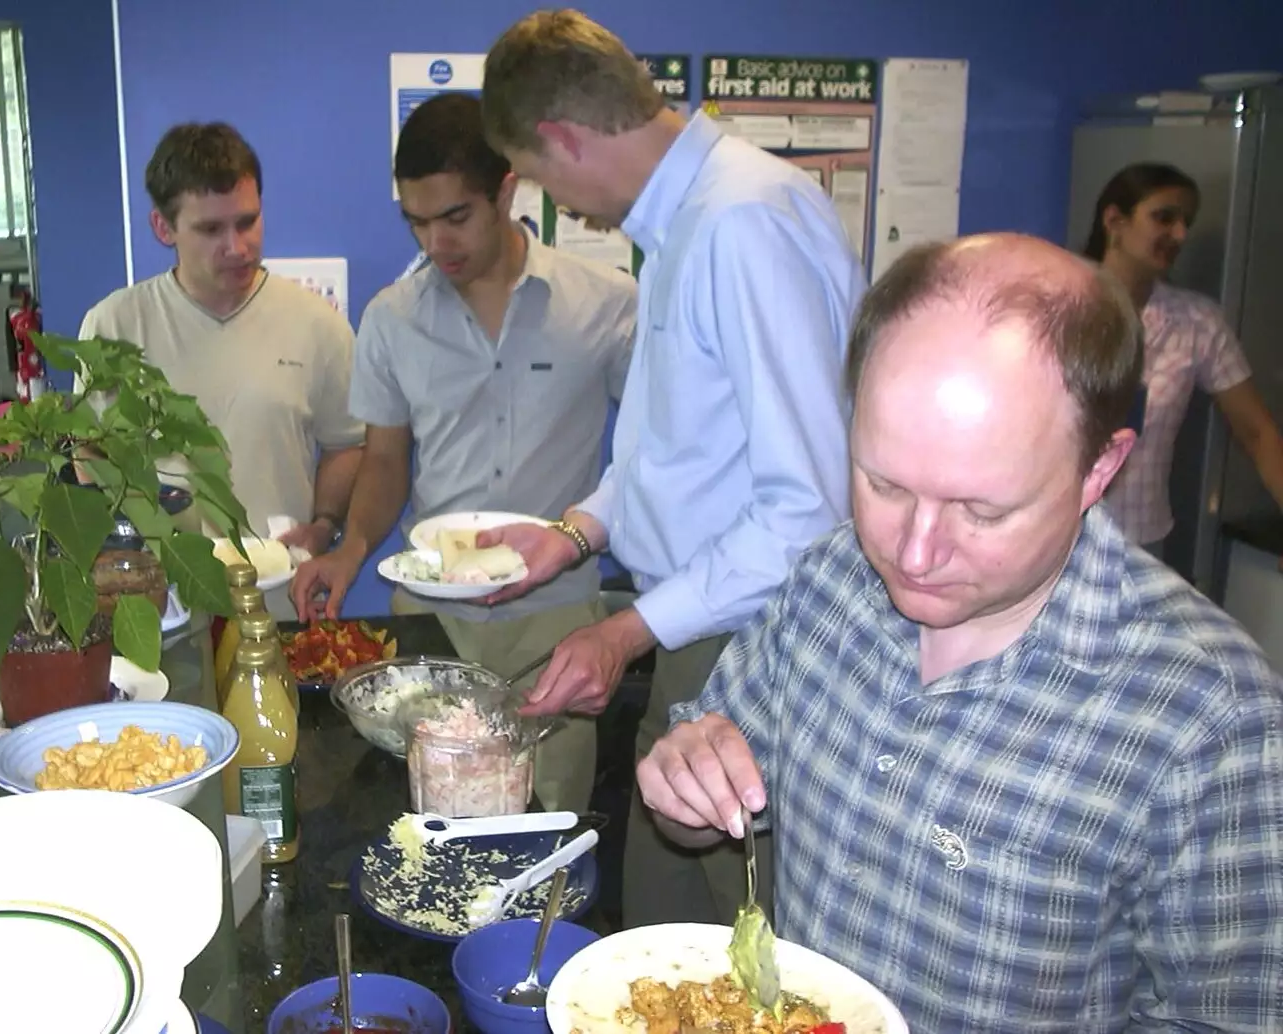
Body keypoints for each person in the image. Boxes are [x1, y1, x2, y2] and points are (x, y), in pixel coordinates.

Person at [638, 232, 1283, 1032]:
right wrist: (686, 784)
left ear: (1100, 470)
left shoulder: (1211, 719)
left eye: (982, 511)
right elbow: (700, 788)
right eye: (882, 483)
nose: (913, 553)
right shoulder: (829, 582)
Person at [478, 9, 862, 927]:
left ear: (563, 139)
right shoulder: (687, 220)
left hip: (755, 646)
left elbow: (806, 515)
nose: (553, 203)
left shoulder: (739, 225)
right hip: (699, 627)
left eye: (535, 176)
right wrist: (572, 534)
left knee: (739, 941)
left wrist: (624, 633)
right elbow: (675, 450)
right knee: (660, 923)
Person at [290, 93, 636, 813]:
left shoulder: (605, 304)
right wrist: (349, 550)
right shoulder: (390, 318)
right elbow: (385, 461)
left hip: (556, 617)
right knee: (434, 816)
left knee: (549, 824)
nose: (436, 243)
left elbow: (654, 453)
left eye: (455, 218)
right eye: (417, 222)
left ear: (507, 190)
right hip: (434, 617)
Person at [80, 123, 363, 616]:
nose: (238, 246)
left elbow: (345, 443)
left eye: (248, 222)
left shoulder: (319, 325)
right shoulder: (112, 325)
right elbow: (88, 453)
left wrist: (323, 525)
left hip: (280, 599)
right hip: (160, 603)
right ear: (163, 227)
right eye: (211, 230)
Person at [1083, 162, 1283, 558]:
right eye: (1164, 218)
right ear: (1114, 220)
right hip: (1051, 535)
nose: (1179, 234)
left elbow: (1258, 433)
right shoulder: (1057, 299)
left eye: (1185, 223)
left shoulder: (1197, 322)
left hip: (1139, 541)